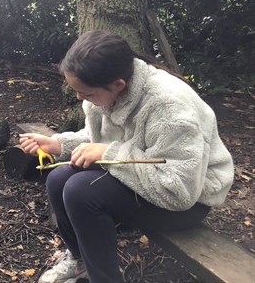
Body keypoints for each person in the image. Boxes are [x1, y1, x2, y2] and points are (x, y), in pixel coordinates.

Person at [19, 30, 234, 283]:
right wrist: (58, 143)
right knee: (57, 178)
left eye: (86, 93)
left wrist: (109, 152)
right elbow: (97, 136)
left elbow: (180, 190)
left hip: (187, 199)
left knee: (81, 191)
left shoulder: (168, 106)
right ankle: (79, 262)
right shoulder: (103, 93)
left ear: (118, 85)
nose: (80, 98)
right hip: (143, 175)